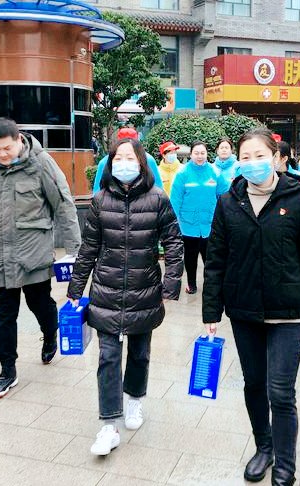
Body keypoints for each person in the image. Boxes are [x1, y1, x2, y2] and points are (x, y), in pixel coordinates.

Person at [203, 127, 300, 485]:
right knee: (253, 385)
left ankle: (285, 464)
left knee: (280, 392)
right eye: (245, 157)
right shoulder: (229, 203)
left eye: (260, 156)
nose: (253, 163)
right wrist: (211, 311)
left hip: (288, 312)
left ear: (277, 158)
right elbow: (216, 261)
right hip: (244, 310)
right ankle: (263, 448)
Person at [67, 138, 183, 456]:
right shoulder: (100, 200)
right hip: (106, 290)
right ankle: (109, 425)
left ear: (142, 162)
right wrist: (76, 288)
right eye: (118, 158)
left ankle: (134, 400)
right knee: (107, 358)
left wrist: (170, 285)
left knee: (140, 353)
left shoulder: (157, 198)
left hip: (145, 291)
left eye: (130, 157)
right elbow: (89, 247)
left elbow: (174, 242)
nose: (123, 163)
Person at [0, 117, 82, 398]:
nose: (1, 154)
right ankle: (7, 370)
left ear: (19, 140)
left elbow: (64, 205)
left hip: (33, 253)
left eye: (6, 148)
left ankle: (50, 333)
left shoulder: (41, 163)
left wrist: (74, 250)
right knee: (4, 314)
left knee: (39, 304)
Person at [170, 141, 230, 294]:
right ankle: (191, 284)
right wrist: (173, 223)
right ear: (191, 154)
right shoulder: (183, 173)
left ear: (207, 154)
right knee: (190, 257)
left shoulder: (215, 172)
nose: (200, 156)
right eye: (196, 153)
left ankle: (210, 285)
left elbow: (225, 195)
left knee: (209, 258)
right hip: (188, 225)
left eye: (203, 153)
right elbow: (175, 200)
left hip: (210, 224)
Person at [92, 127, 163, 194]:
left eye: (130, 159)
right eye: (118, 159)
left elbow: (97, 189)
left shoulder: (106, 160)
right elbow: (158, 185)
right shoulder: (148, 159)